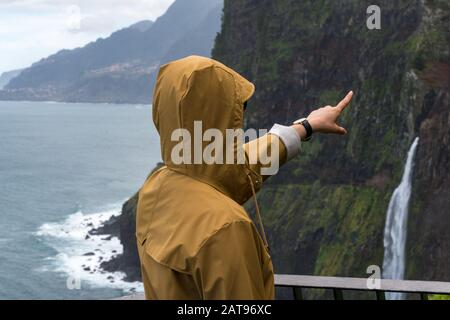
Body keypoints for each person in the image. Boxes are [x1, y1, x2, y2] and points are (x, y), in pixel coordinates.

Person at [136, 55, 353, 299]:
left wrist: (305, 126)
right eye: (236, 109)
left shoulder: (155, 188)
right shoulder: (226, 227)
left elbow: (236, 168)